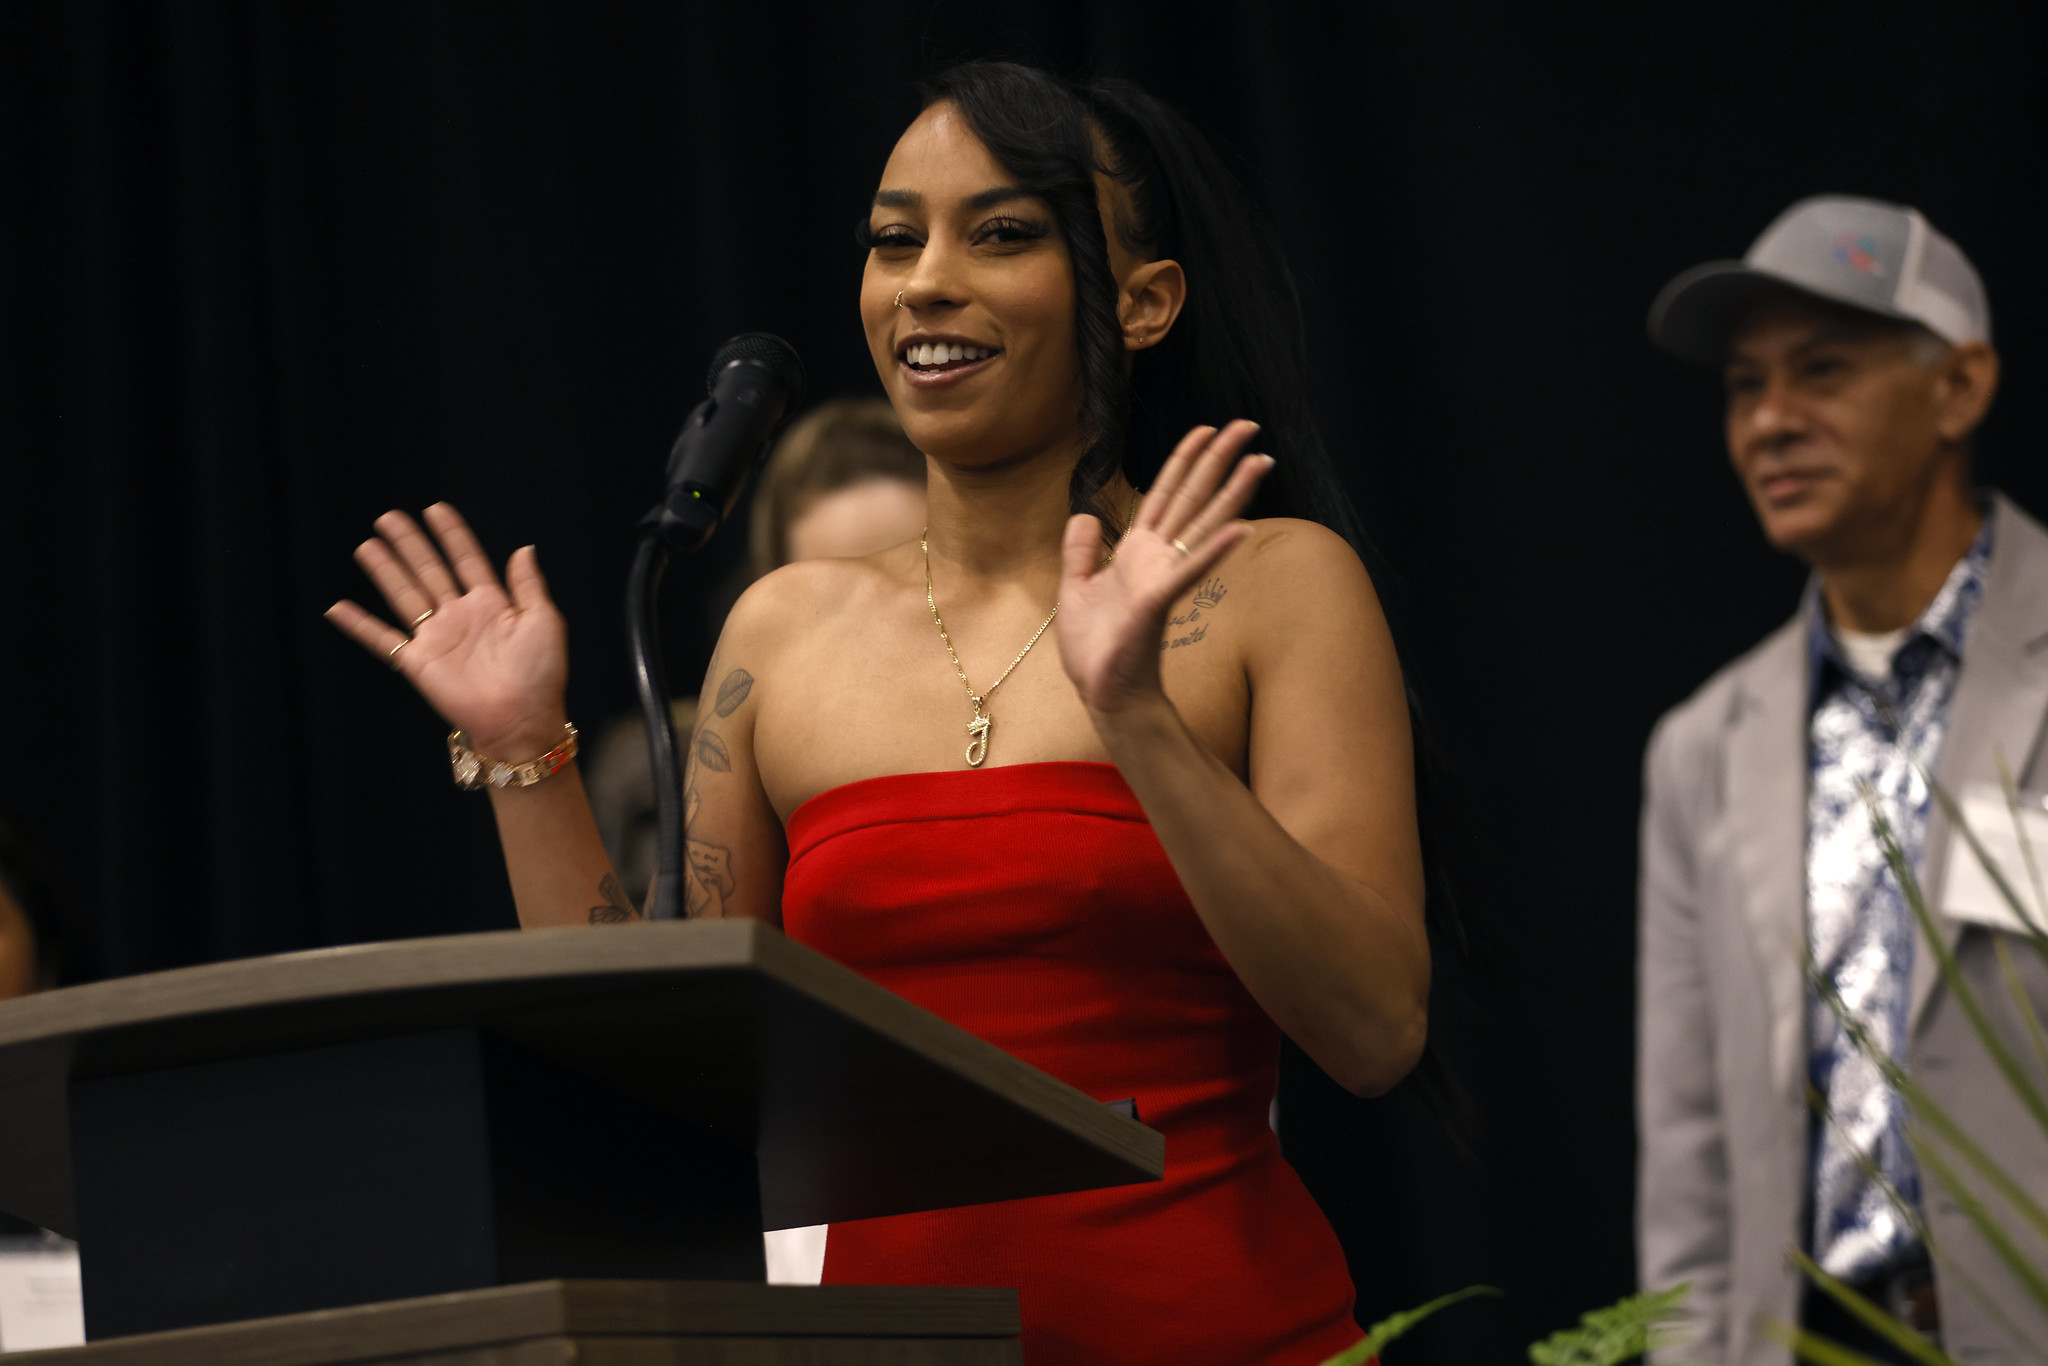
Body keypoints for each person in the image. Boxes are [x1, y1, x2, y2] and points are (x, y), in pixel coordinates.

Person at [328, 60, 1428, 1364]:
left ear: (1144, 302)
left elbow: (1372, 1032)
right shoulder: (785, 630)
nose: (925, 279)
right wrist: (525, 754)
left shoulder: (1273, 585)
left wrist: (1134, 713)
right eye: (893, 239)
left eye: (1003, 231)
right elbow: (666, 1073)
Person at [1636, 196, 2041, 1366]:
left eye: (1821, 371)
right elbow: (1688, 1150)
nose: (1768, 421)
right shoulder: (1700, 747)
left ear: (1956, 389)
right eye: (1740, 385)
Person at [585, 397, 927, 908]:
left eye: (906, 581)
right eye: (829, 593)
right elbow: (631, 975)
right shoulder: (661, 774)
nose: (872, 629)